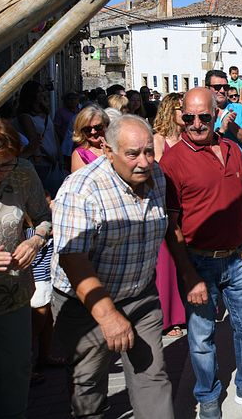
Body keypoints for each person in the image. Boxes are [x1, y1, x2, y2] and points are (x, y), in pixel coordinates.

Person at [160, 87, 242, 417]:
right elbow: (171, 225)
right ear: (180, 116)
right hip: (198, 261)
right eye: (189, 117)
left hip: (238, 256)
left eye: (204, 117)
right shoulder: (171, 161)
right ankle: (207, 395)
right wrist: (188, 275)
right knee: (201, 338)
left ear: (217, 115)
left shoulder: (232, 148)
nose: (196, 123)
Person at [51, 114, 174, 418]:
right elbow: (72, 257)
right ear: (108, 151)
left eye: (148, 151)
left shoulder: (156, 176)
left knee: (152, 376)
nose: (144, 162)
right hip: (85, 303)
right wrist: (107, 315)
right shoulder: (81, 189)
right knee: (88, 389)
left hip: (139, 294)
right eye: (132, 154)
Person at [0, 120, 52, 418]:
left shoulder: (22, 173)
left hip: (13, 295)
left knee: (15, 372)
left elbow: (43, 217)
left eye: (4, 165)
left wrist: (36, 241)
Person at [151, 93, 186, 337]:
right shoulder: (158, 139)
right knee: (168, 263)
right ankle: (170, 317)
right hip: (166, 204)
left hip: (189, 204)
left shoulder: (188, 138)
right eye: (181, 109)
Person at [16, 80, 62, 195]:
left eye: (42, 91)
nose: (43, 94)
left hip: (54, 161)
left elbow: (53, 135)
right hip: (41, 162)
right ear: (31, 95)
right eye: (39, 92)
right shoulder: (25, 117)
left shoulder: (45, 113)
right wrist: (48, 157)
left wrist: (59, 155)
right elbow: (34, 140)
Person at [205, 69, 242, 150]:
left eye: (225, 87)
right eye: (217, 87)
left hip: (236, 161)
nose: (222, 91)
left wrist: (232, 125)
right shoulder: (201, 111)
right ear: (207, 88)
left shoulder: (239, 109)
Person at [70, 105, 109, 171]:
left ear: (106, 125)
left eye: (98, 127)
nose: (93, 132)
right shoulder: (80, 154)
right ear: (81, 130)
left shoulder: (116, 147)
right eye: (87, 129)